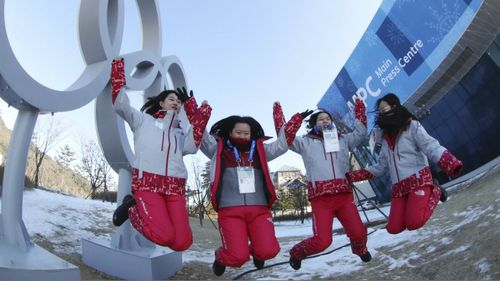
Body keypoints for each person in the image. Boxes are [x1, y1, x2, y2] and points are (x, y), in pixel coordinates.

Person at [110, 57, 212, 252]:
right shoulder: (143, 121)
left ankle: (138, 209)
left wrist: (200, 112)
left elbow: (193, 145)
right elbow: (120, 104)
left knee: (182, 242)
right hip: (148, 184)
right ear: (161, 102)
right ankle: (132, 209)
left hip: (175, 188)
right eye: (171, 99)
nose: (176, 103)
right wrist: (118, 70)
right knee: (164, 236)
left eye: (179, 101)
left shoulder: (180, 133)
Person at [200, 107, 303, 276]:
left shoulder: (260, 150)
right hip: (230, 210)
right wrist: (198, 110)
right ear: (229, 132)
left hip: (259, 209)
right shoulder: (219, 150)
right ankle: (221, 258)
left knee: (269, 251)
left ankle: (257, 251)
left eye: (246, 133)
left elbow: (282, 145)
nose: (242, 136)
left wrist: (294, 121)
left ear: (252, 134)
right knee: (237, 258)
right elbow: (202, 138)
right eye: (238, 132)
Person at [274, 99, 372, 271]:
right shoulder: (305, 142)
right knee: (322, 241)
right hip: (321, 200)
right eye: (321, 119)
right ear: (313, 124)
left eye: (328, 118)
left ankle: (360, 249)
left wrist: (359, 108)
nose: (325, 120)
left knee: (359, 233)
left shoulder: (343, 139)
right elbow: (284, 138)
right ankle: (297, 254)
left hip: (344, 196)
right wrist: (281, 113)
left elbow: (361, 133)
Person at [346, 93, 463, 235]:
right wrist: (353, 176)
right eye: (380, 111)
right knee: (393, 228)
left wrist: (451, 163)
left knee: (413, 222)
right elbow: (380, 167)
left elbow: (431, 146)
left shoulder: (412, 126)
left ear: (394, 107)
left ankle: (435, 191)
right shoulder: (383, 137)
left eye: (384, 109)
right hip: (399, 188)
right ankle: (421, 198)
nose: (381, 113)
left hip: (418, 180)